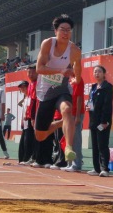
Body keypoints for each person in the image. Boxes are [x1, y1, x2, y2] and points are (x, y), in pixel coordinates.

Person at [35, 14, 82, 163]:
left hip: (62, 88)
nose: (66, 33)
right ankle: (62, 123)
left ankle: (68, 147)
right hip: (45, 91)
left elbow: (78, 67)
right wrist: (60, 71)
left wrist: (77, 79)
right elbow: (39, 69)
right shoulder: (48, 44)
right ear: (55, 31)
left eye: (69, 30)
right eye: (62, 29)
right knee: (40, 135)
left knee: (67, 109)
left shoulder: (74, 50)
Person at [86, 65, 113, 177]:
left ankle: (105, 169)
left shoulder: (107, 87)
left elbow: (107, 105)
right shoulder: (93, 87)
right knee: (95, 146)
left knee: (102, 145)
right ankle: (96, 168)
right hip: (93, 120)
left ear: (104, 73)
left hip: (103, 121)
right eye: (95, 72)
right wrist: (88, 108)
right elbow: (91, 102)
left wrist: (104, 121)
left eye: (99, 71)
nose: (97, 73)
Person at [63, 74, 85, 172]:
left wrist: (77, 116)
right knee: (68, 139)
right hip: (69, 113)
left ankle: (77, 164)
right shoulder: (69, 80)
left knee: (76, 139)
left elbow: (79, 97)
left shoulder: (79, 80)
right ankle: (70, 163)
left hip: (76, 113)